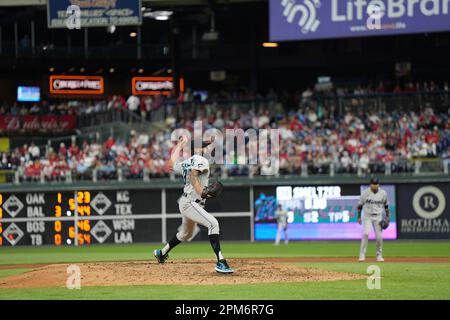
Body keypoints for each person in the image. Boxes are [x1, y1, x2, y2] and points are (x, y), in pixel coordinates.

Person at [153, 136, 234, 273]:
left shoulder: (188, 161)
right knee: (213, 224)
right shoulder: (201, 160)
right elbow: (192, 175)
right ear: (198, 149)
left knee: (185, 235)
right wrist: (202, 191)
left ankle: (162, 252)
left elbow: (170, 165)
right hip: (191, 203)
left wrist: (179, 145)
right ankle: (221, 261)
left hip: (187, 202)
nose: (207, 149)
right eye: (204, 147)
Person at [357, 177, 390, 262]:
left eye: (376, 184)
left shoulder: (383, 193)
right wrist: (359, 217)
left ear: (378, 185)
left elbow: (386, 206)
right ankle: (362, 255)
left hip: (378, 216)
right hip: (367, 215)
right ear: (370, 184)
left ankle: (379, 256)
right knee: (365, 233)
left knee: (379, 237)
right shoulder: (365, 193)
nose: (375, 186)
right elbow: (360, 206)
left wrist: (387, 217)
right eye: (373, 184)